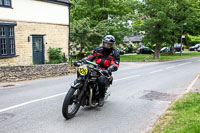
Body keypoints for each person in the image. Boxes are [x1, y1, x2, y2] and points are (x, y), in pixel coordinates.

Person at [74, 35, 120, 107]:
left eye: (109, 44)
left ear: (112, 44)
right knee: (81, 71)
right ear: (103, 42)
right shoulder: (98, 49)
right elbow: (90, 57)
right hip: (96, 67)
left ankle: (100, 97)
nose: (107, 45)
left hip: (105, 70)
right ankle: (78, 88)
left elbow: (115, 64)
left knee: (101, 79)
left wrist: (109, 69)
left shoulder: (115, 53)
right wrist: (80, 61)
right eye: (105, 43)